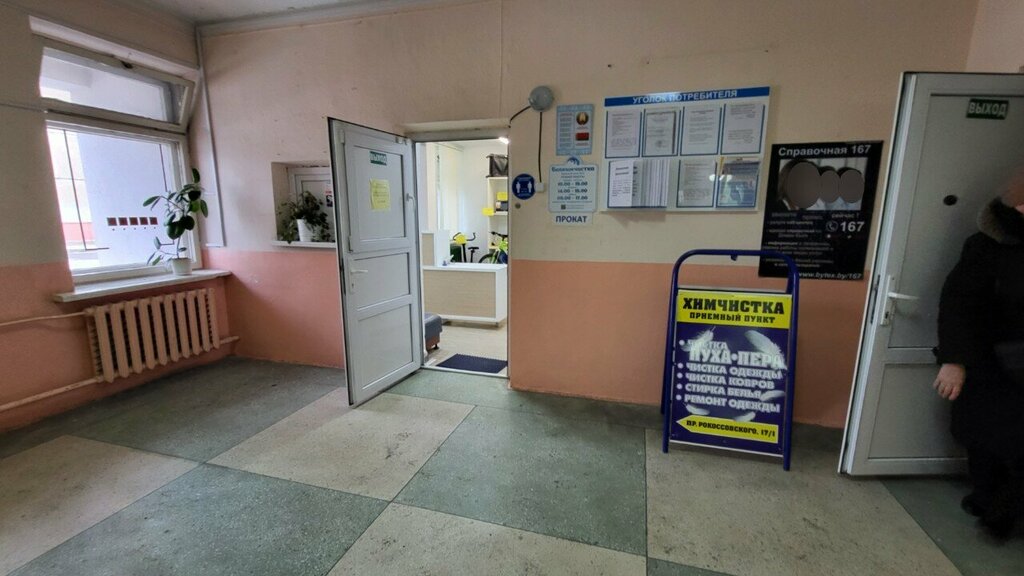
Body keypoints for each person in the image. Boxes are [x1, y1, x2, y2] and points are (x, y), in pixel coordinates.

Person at [934, 173, 1024, 538]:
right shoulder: (986, 246)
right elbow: (959, 306)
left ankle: (999, 507)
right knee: (985, 438)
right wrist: (954, 361)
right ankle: (990, 502)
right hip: (991, 364)